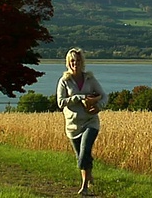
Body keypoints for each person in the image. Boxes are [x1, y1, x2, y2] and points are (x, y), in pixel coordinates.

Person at [56, 47, 107, 195]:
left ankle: (84, 187)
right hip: (72, 126)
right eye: (72, 61)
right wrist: (79, 97)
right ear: (68, 63)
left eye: (78, 61)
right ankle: (89, 176)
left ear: (82, 62)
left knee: (84, 152)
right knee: (81, 155)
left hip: (90, 122)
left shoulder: (90, 79)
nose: (75, 63)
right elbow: (60, 102)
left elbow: (104, 96)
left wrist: (98, 107)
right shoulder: (64, 81)